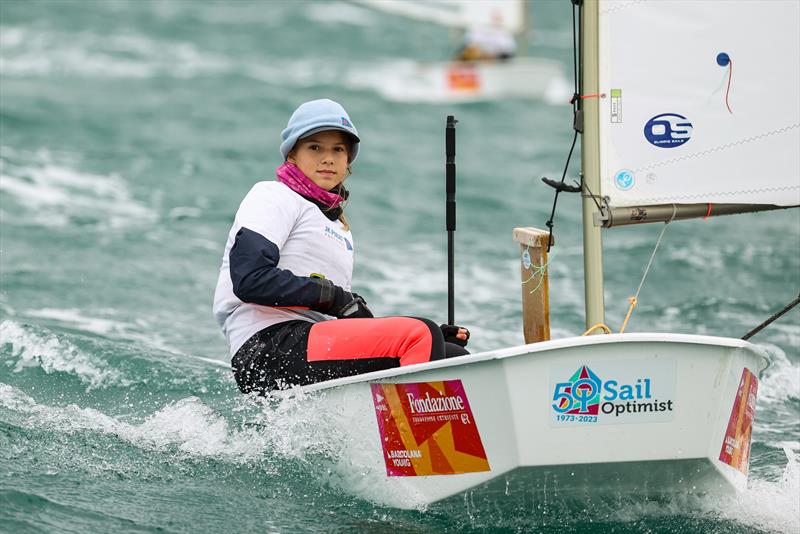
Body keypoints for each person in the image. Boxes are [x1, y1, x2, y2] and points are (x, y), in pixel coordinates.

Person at [213, 99, 470, 394]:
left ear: (348, 159)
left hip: (308, 343)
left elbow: (343, 314)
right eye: (315, 147)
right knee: (417, 334)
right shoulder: (273, 195)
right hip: (267, 346)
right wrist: (334, 298)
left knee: (451, 357)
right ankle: (415, 440)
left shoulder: (337, 227)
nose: (328, 158)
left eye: (338, 149)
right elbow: (250, 278)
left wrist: (436, 339)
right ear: (292, 155)